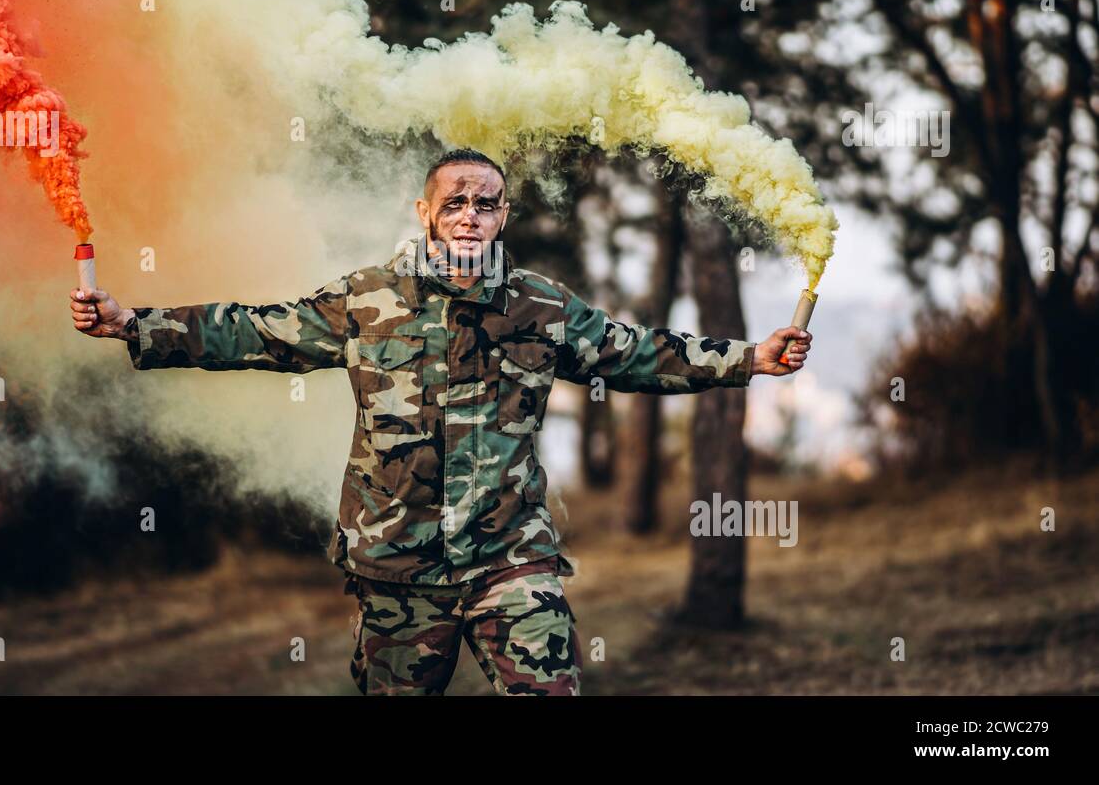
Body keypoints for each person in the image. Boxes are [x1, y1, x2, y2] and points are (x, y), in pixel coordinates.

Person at [69, 147, 812, 695]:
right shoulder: (367, 300)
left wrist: (750, 358)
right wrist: (136, 324)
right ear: (425, 213)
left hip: (510, 556)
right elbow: (260, 332)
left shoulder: (541, 305)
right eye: (453, 203)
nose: (468, 215)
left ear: (503, 216)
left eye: (484, 203)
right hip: (395, 565)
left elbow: (635, 354)